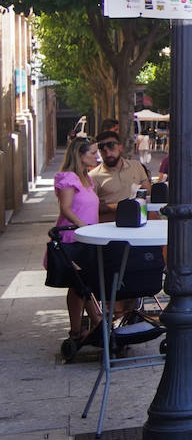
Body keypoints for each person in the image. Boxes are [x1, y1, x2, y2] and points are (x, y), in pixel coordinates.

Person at [51, 138, 103, 341]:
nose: (96, 156)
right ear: (79, 155)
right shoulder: (68, 178)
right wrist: (83, 227)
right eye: (92, 153)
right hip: (72, 238)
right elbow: (65, 208)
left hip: (88, 238)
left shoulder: (86, 178)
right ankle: (79, 329)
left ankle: (94, 324)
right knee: (78, 285)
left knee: (83, 284)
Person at [89, 129, 151, 223]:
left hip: (137, 221)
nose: (108, 153)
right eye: (102, 149)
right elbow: (90, 206)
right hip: (109, 227)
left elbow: (147, 191)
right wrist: (118, 206)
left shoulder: (136, 166)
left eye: (111, 147)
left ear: (120, 147)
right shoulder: (93, 176)